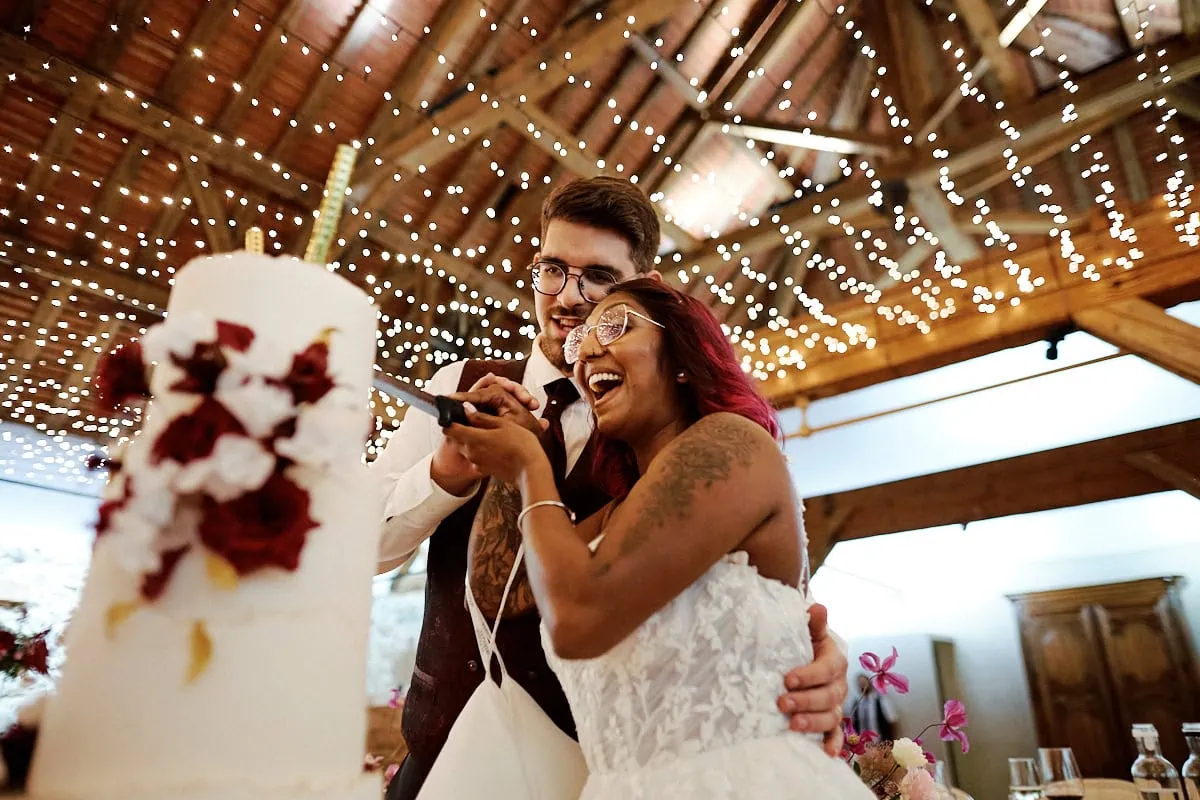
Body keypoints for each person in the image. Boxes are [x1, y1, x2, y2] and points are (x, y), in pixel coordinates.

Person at [370, 177, 849, 800]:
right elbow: (366, 550)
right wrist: (445, 475)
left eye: (597, 278)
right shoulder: (457, 383)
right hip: (455, 755)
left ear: (640, 284)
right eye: (552, 270)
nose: (569, 300)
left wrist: (821, 648)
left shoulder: (670, 425)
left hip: (608, 764)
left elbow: (748, 576)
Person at [442, 279, 875, 798]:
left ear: (682, 356)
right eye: (582, 343)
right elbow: (504, 594)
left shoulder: (731, 443)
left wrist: (531, 468)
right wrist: (524, 459)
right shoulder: (614, 518)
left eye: (615, 326)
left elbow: (578, 619)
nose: (589, 349)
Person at [850, 672, 900, 740]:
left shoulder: (880, 699)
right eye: (860, 683)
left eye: (864, 682)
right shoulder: (856, 703)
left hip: (879, 741)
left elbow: (892, 721)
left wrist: (891, 741)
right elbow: (852, 723)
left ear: (870, 682)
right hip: (862, 744)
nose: (862, 685)